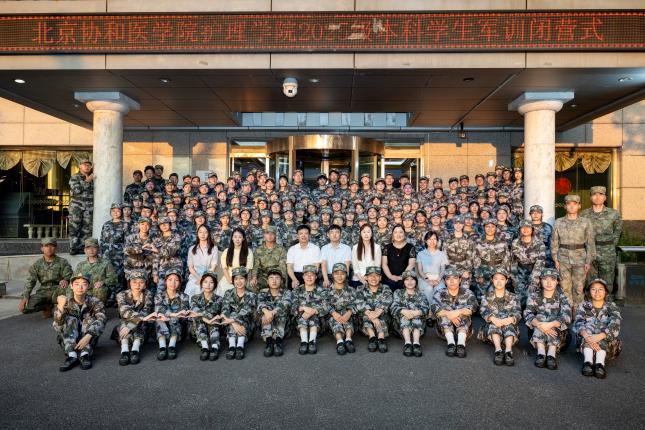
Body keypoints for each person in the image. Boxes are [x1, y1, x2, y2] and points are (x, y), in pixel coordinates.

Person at [53, 272, 106, 372]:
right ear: (71, 286)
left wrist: (89, 335)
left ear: (88, 286)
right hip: (69, 338)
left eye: (84, 284)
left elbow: (102, 319)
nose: (80, 287)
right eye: (76, 284)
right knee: (70, 319)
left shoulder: (95, 302)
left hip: (88, 338)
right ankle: (71, 355)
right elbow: (57, 327)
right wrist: (60, 308)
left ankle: (84, 354)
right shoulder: (65, 302)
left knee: (90, 319)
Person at [551, 194, 596, 309]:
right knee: (564, 287)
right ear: (565, 206)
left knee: (579, 288)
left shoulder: (585, 222)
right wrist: (555, 259)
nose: (571, 206)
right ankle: (566, 312)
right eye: (568, 204)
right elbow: (554, 242)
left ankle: (578, 312)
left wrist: (588, 261)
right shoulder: (558, 222)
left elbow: (590, 243)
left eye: (574, 204)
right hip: (563, 258)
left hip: (580, 258)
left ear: (579, 206)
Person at [524, 268, 572, 370]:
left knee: (553, 319)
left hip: (559, 337)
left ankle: (551, 354)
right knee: (540, 318)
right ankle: (541, 353)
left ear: (557, 282)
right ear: (541, 281)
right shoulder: (534, 296)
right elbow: (527, 313)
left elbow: (567, 316)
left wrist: (550, 324)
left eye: (553, 279)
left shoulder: (562, 297)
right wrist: (540, 325)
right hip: (537, 335)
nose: (549, 282)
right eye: (545, 279)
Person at [574, 278, 622, 379]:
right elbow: (578, 322)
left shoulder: (612, 307)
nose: (597, 292)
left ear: (606, 292)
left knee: (604, 331)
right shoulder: (583, 306)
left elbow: (615, 323)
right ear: (589, 292)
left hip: (606, 342)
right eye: (593, 289)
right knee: (587, 330)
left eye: (600, 289)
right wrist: (587, 336)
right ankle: (588, 362)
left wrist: (600, 336)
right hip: (586, 339)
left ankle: (600, 364)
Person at [580, 186, 623, 298]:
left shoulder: (613, 214)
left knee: (607, 280)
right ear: (590, 197)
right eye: (594, 194)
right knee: (590, 281)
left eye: (601, 194)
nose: (597, 197)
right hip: (589, 252)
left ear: (605, 197)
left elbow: (618, 231)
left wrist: (610, 245)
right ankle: (590, 305)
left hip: (607, 252)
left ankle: (607, 305)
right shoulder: (584, 214)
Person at [478, 268, 521, 366]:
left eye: (502, 279)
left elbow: (518, 312)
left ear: (506, 280)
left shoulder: (513, 297)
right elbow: (483, 311)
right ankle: (498, 351)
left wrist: (510, 319)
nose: (499, 282)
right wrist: (493, 318)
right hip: (490, 331)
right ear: (492, 280)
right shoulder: (486, 296)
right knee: (494, 323)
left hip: (510, 330)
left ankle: (508, 352)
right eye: (496, 278)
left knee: (509, 324)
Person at [19, 237, 72, 317]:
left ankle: (60, 307)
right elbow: (30, 280)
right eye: (46, 246)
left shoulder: (63, 262)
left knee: (71, 299)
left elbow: (69, 275)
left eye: (52, 246)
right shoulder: (37, 264)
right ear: (42, 248)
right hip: (43, 291)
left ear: (56, 248)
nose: (49, 248)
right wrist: (25, 297)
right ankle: (46, 306)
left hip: (59, 290)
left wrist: (65, 280)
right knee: (24, 308)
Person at [432, 266, 477, 358]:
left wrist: (458, 312)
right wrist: (449, 315)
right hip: (443, 331)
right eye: (448, 278)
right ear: (445, 281)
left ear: (460, 280)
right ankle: (451, 344)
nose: (452, 281)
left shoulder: (468, 292)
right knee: (443, 314)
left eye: (455, 278)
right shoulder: (439, 293)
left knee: (463, 314)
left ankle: (461, 344)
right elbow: (434, 308)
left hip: (465, 331)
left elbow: (471, 309)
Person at [115, 269, 155, 366]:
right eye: (134, 282)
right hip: (125, 323)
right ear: (129, 283)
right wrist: (131, 323)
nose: (137, 285)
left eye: (141, 282)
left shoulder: (148, 294)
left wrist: (131, 325)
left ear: (145, 284)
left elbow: (146, 312)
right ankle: (124, 351)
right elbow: (124, 312)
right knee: (125, 322)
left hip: (143, 325)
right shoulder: (121, 295)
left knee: (141, 323)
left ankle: (135, 350)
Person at [219, 267, 257, 360]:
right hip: (230, 326)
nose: (238, 281)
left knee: (240, 316)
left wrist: (232, 321)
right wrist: (233, 323)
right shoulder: (228, 293)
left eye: (241, 278)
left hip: (247, 327)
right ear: (233, 280)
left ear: (246, 280)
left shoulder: (251, 294)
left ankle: (240, 346)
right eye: (236, 279)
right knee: (231, 314)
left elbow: (246, 311)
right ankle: (232, 346)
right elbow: (224, 310)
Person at [390, 271, 430, 357]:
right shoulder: (398, 292)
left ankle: (416, 343)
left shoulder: (421, 294)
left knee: (416, 316)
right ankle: (407, 343)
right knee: (405, 316)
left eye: (412, 279)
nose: (410, 282)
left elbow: (426, 308)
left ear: (416, 281)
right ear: (403, 282)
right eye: (407, 279)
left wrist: (416, 313)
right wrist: (404, 311)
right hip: (400, 325)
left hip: (419, 325)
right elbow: (393, 307)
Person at [154, 269, 191, 361]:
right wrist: (174, 314)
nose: (173, 283)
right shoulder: (159, 296)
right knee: (159, 319)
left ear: (180, 282)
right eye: (170, 280)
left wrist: (170, 316)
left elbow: (183, 313)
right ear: (165, 281)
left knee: (174, 318)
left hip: (178, 329)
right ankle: (162, 348)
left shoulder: (184, 296)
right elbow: (159, 310)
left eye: (176, 280)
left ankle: (172, 346)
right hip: (163, 327)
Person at [355, 266, 393, 353]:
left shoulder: (385, 288)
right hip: (366, 315)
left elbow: (387, 301)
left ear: (380, 278)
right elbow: (359, 303)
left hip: (381, 315)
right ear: (366, 277)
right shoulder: (360, 288)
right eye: (370, 276)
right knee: (365, 316)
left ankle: (381, 338)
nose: (373, 278)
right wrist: (372, 316)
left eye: (376, 275)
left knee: (383, 317)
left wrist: (377, 314)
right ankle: (372, 337)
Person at [292, 265, 327, 355]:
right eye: (306, 275)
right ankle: (304, 341)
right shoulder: (297, 290)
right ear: (303, 277)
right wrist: (304, 308)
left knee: (313, 316)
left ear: (316, 277)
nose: (309, 277)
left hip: (318, 326)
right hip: (299, 325)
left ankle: (312, 341)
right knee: (304, 316)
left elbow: (326, 307)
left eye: (312, 275)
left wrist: (313, 311)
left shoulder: (321, 290)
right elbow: (292, 307)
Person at [257, 268, 292, 357]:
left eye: (277, 278)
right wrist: (266, 312)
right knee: (265, 311)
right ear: (267, 281)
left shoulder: (286, 292)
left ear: (281, 281)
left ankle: (278, 343)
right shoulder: (262, 292)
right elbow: (260, 304)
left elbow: (286, 304)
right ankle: (269, 343)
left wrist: (271, 313)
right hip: (267, 326)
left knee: (281, 311)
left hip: (284, 327)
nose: (274, 281)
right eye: (271, 278)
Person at [511, 219, 546, 307]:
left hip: (534, 273)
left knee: (532, 298)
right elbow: (513, 260)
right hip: (519, 273)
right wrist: (514, 277)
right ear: (519, 229)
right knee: (519, 300)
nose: (525, 229)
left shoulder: (539, 244)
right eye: (522, 227)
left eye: (528, 227)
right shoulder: (515, 243)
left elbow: (540, 263)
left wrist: (534, 280)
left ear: (532, 230)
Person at [325, 263, 357, 355]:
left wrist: (349, 312)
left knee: (346, 315)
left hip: (349, 317)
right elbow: (324, 304)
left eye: (342, 273)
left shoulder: (351, 290)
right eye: (336, 273)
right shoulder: (327, 291)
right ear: (332, 275)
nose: (339, 276)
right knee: (334, 318)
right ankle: (339, 341)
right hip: (332, 318)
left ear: (346, 275)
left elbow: (356, 303)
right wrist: (333, 313)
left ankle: (348, 339)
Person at [74, 238, 118, 305]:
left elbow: (114, 278)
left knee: (99, 289)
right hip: (84, 291)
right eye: (88, 248)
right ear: (85, 250)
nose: (91, 250)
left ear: (98, 249)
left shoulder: (106, 263)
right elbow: (73, 281)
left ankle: (97, 308)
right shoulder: (80, 265)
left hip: (99, 292)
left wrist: (103, 282)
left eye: (94, 247)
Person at [190, 272, 223, 361]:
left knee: (214, 319)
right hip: (196, 330)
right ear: (201, 283)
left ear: (215, 285)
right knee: (199, 318)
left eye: (211, 282)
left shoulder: (219, 299)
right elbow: (194, 310)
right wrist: (206, 319)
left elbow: (213, 311)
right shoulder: (194, 298)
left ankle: (215, 347)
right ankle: (205, 348)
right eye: (205, 282)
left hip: (214, 327)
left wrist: (203, 316)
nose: (208, 285)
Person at [217, 228, 254, 297]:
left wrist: (238, 279)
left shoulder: (248, 251)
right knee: (224, 291)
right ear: (232, 238)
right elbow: (224, 268)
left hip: (242, 278)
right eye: (235, 237)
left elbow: (247, 269)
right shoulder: (226, 251)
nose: (237, 239)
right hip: (229, 278)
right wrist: (229, 279)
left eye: (240, 237)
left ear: (243, 239)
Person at [416, 231, 449, 307]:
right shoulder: (420, 254)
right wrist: (427, 280)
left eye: (434, 239)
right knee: (429, 289)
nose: (432, 241)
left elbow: (443, 270)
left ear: (437, 241)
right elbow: (420, 270)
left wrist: (438, 280)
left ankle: (439, 310)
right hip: (425, 278)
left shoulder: (441, 254)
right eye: (430, 239)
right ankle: (430, 310)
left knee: (440, 289)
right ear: (425, 241)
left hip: (438, 278)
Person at [186, 224, 219, 299]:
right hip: (195, 277)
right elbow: (190, 267)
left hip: (209, 276)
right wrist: (199, 278)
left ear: (208, 234)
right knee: (192, 287)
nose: (203, 234)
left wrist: (204, 279)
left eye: (205, 232)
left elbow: (213, 266)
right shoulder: (191, 249)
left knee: (207, 286)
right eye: (200, 232)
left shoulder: (214, 248)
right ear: (197, 234)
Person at [68, 158, 94, 255]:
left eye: (88, 165)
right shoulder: (75, 177)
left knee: (87, 229)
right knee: (74, 228)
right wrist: (87, 181)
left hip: (89, 208)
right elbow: (76, 190)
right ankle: (73, 248)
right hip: (77, 208)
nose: (87, 166)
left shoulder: (93, 178)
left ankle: (83, 248)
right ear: (80, 166)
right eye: (84, 164)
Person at [250, 226, 287, 292]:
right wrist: (254, 277)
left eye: (272, 233)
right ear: (264, 235)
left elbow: (283, 266)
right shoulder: (258, 250)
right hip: (263, 276)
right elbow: (256, 265)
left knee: (281, 288)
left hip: (276, 275)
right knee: (253, 285)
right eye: (267, 233)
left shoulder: (281, 249)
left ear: (275, 235)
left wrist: (282, 278)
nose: (269, 235)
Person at [382, 224, 417, 292]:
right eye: (395, 232)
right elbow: (384, 264)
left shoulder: (410, 247)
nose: (398, 235)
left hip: (404, 277)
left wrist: (402, 277)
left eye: (401, 232)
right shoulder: (387, 247)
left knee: (402, 285)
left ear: (404, 234)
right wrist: (390, 276)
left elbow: (411, 264)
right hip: (389, 277)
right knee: (390, 285)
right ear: (392, 235)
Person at [351, 224, 382, 288]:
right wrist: (361, 279)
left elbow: (377, 266)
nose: (366, 234)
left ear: (371, 234)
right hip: (358, 278)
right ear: (360, 234)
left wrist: (368, 277)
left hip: (372, 278)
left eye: (368, 232)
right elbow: (355, 267)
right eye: (364, 232)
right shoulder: (355, 248)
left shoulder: (377, 247)